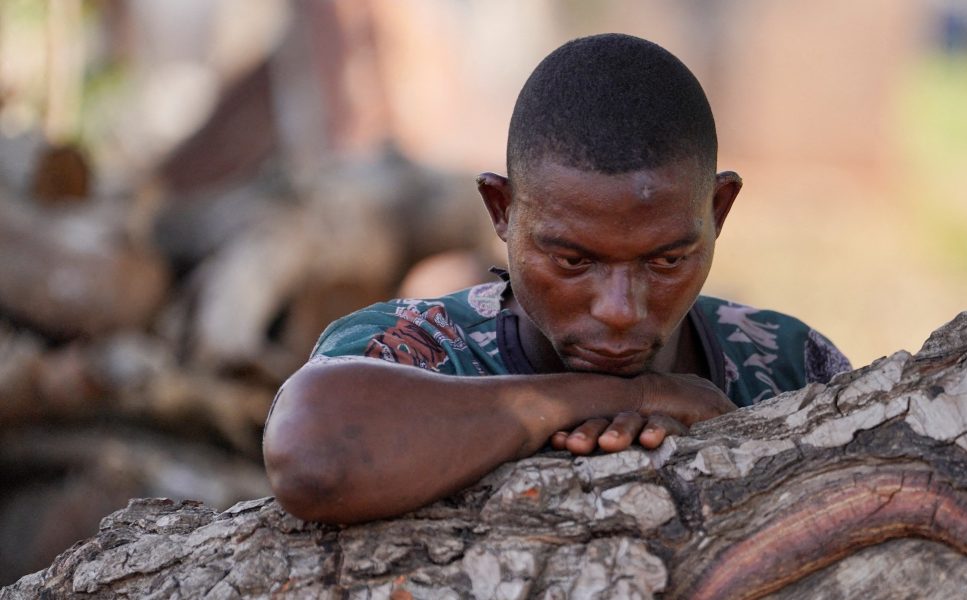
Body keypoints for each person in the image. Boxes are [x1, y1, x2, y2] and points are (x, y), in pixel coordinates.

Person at [263, 33, 850, 524]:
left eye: (666, 261)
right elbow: (314, 454)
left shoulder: (789, 367)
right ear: (502, 210)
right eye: (573, 261)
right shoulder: (414, 351)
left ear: (718, 212)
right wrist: (636, 395)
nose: (619, 310)